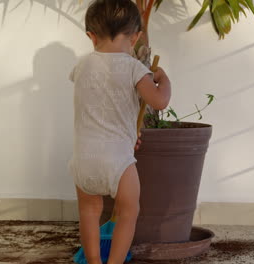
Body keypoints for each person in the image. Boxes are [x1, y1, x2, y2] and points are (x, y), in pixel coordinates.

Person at [68, 0, 171, 263]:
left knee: (90, 211)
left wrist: (126, 133)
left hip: (84, 157)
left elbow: (102, 106)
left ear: (91, 36)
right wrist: (163, 79)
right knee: (129, 211)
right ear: (136, 37)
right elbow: (159, 101)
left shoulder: (80, 67)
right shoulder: (134, 67)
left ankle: (93, 261)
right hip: (118, 160)